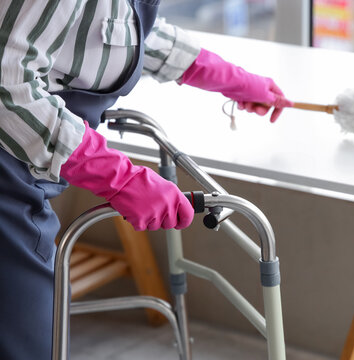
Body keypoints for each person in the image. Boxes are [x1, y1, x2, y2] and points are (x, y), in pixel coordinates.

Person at [0, 1, 293, 359]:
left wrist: (231, 78)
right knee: (21, 339)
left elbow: (114, 31)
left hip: (24, 168)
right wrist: (120, 178)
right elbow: (6, 83)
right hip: (7, 171)